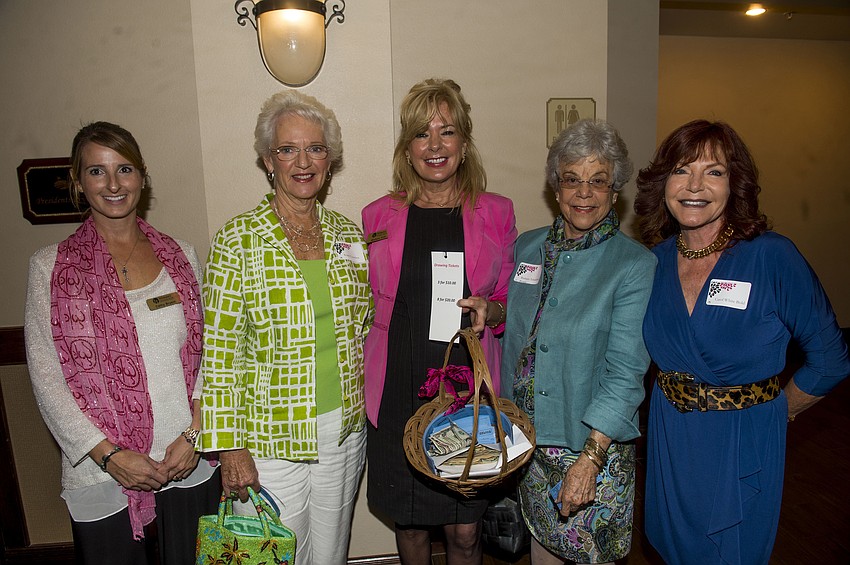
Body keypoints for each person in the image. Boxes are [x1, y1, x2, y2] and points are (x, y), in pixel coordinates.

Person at [634, 119, 850, 564]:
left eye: (713, 171)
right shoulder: (651, 263)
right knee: (673, 549)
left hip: (741, 440)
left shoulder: (772, 256)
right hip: (671, 437)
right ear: (664, 183)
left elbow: (830, 359)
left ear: (736, 185)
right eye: (681, 169)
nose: (694, 185)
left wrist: (773, 414)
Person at [23, 121, 219, 565]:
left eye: (124, 169)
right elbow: (48, 380)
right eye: (97, 172)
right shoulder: (50, 269)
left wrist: (194, 433)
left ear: (142, 176)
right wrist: (110, 457)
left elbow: (211, 354)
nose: (113, 184)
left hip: (186, 459)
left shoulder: (181, 256)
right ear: (77, 181)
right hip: (100, 470)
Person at [198, 90, 373, 565]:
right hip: (270, 438)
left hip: (342, 430)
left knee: (332, 553)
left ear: (330, 160)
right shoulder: (238, 240)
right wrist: (229, 448)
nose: (303, 161)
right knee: (277, 556)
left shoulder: (348, 236)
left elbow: (364, 325)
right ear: (267, 160)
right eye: (287, 149)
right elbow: (219, 353)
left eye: (315, 148)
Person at [362, 78, 516, 564]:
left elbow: (509, 299)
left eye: (446, 132)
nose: (434, 146)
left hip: (466, 382)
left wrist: (492, 311)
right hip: (398, 380)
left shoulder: (496, 213)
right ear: (407, 149)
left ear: (464, 143)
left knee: (465, 532)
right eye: (421, 134)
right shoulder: (376, 217)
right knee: (409, 525)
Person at [499, 119, 656, 564]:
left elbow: (626, 373)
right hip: (527, 443)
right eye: (572, 180)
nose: (584, 193)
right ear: (556, 186)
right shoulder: (527, 249)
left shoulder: (633, 266)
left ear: (614, 189)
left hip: (589, 446)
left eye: (598, 181)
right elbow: (529, 322)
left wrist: (589, 459)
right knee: (542, 552)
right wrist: (490, 312)